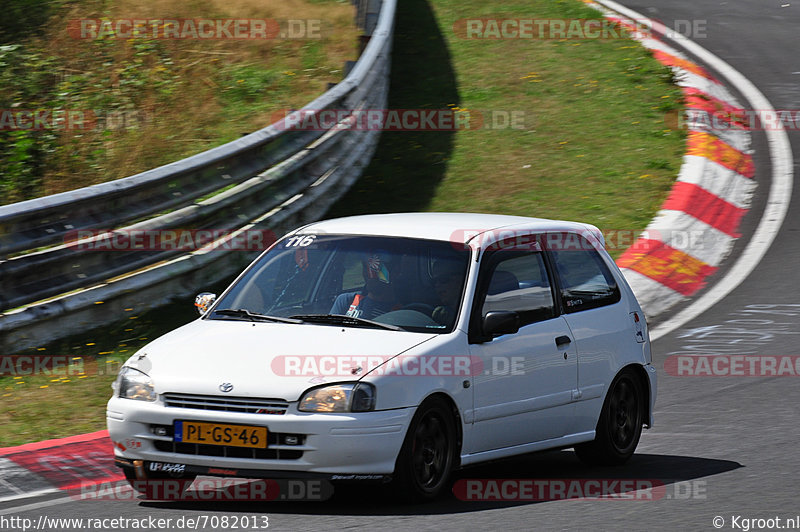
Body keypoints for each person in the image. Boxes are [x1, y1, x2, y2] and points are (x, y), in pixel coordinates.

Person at [330, 251, 397, 320]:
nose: (370, 275)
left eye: (378, 269)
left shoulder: (399, 313)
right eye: (366, 268)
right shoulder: (346, 301)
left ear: (394, 273)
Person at [430, 260, 464, 325]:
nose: (437, 285)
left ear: (460, 280)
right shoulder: (438, 313)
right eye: (434, 281)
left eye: (443, 279)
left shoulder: (472, 313)